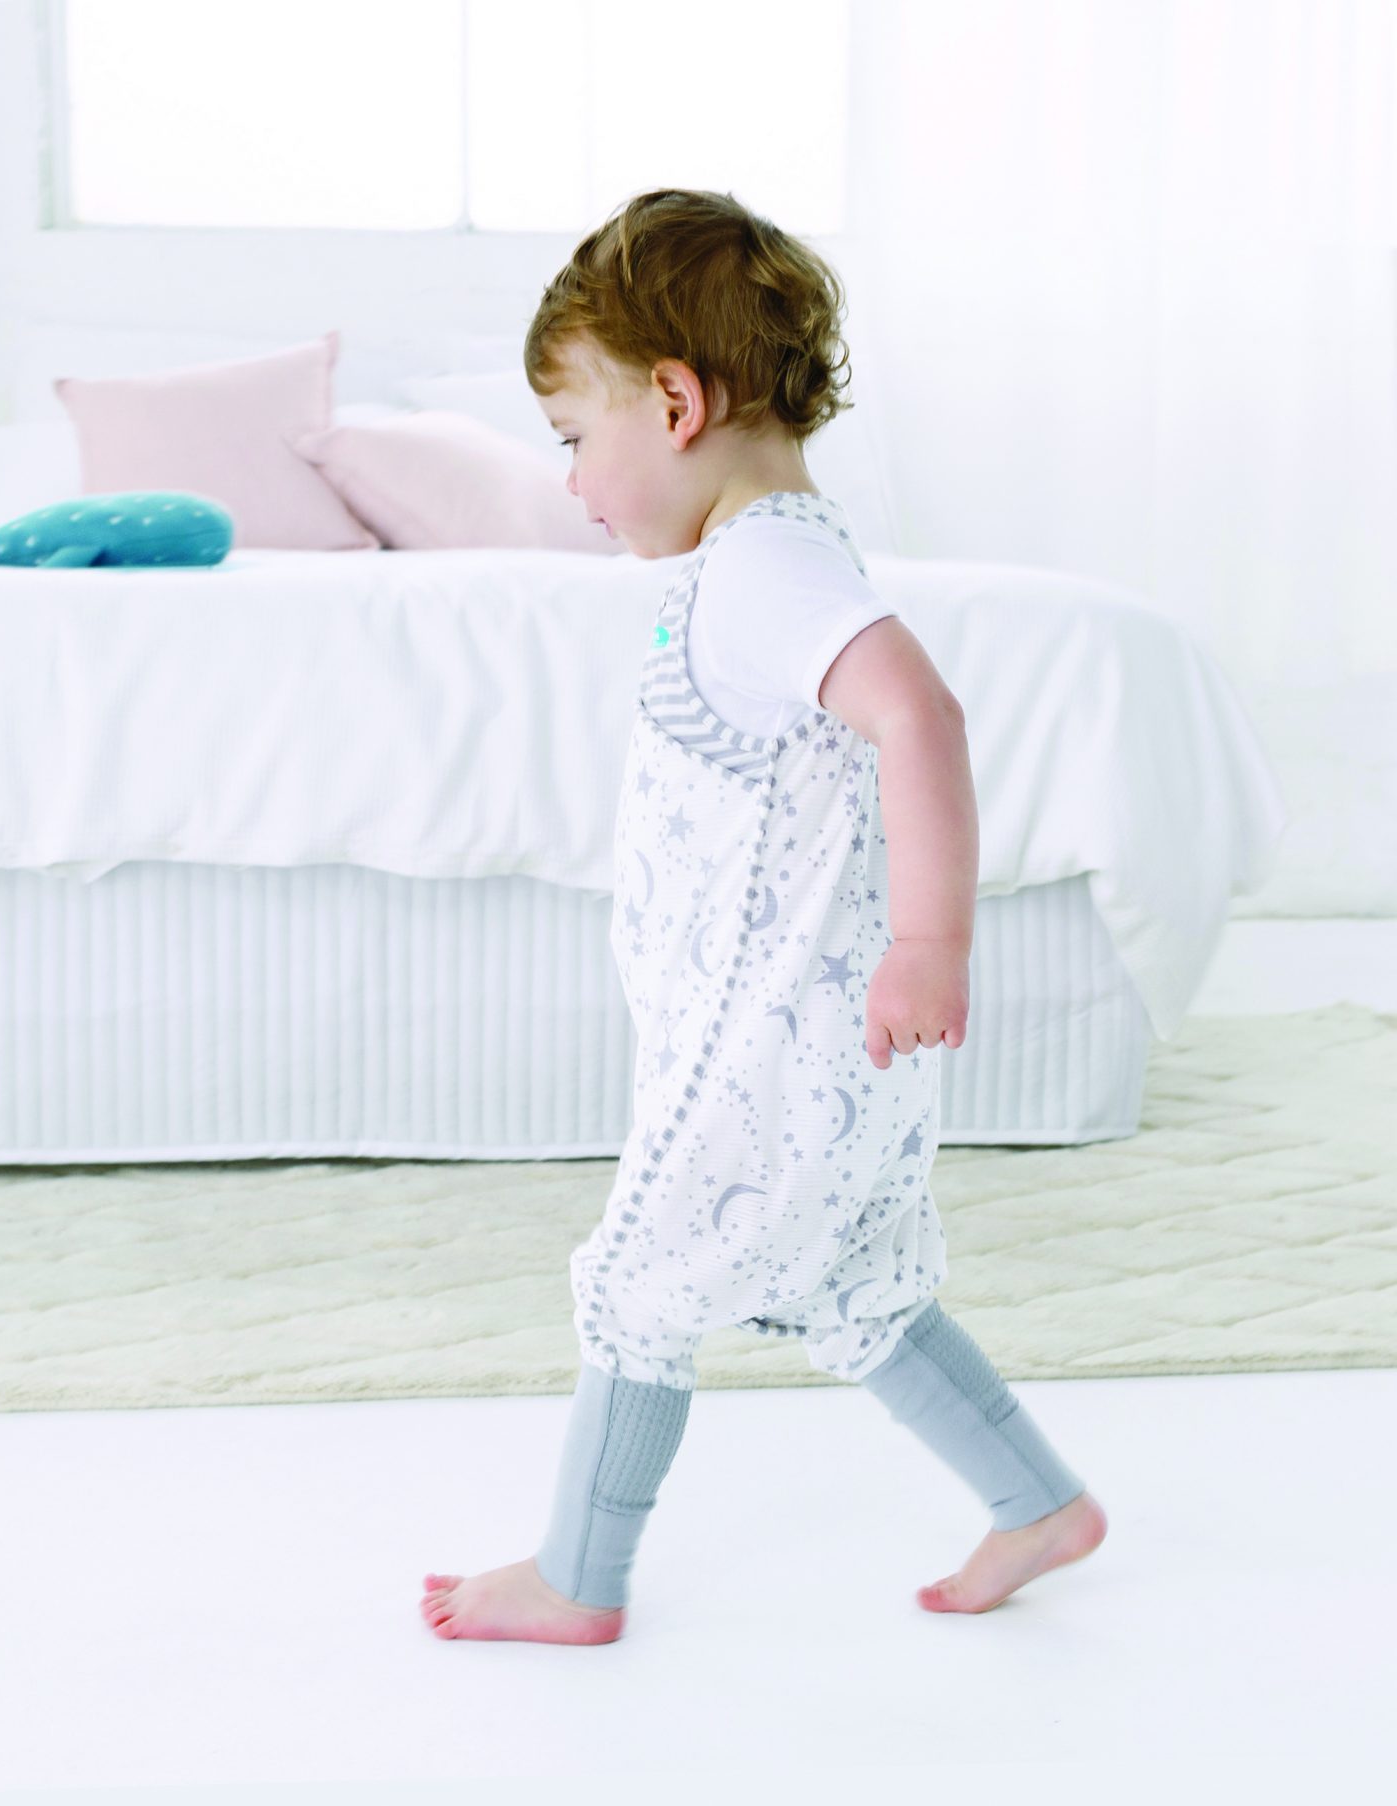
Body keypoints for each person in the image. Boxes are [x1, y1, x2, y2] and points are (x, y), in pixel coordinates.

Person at [420, 189, 1107, 1646]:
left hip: (775, 1046)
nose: (569, 484)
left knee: (635, 1286)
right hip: (812, 1037)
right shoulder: (777, 553)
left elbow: (919, 712)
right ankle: (1036, 1501)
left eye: (572, 438)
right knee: (859, 1289)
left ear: (675, 404)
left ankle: (577, 1578)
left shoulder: (765, 571)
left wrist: (931, 943)